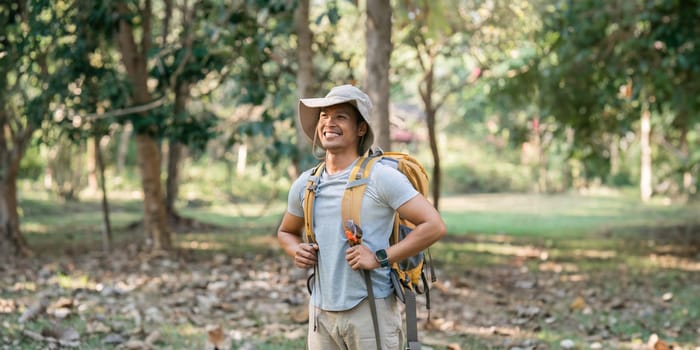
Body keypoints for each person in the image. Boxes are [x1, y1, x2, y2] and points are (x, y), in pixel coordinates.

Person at [277, 84, 446, 350]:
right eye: (324, 115)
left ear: (361, 128)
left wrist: (380, 257)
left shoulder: (382, 177)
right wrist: (295, 249)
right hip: (321, 313)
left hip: (371, 309)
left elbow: (434, 226)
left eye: (340, 116)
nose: (329, 122)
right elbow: (286, 231)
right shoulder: (306, 183)